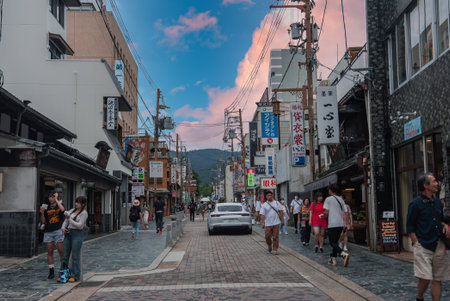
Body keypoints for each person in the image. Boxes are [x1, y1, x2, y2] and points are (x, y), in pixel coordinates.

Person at [407, 173, 450, 301]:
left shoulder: (437, 202)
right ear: (426, 186)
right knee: (425, 277)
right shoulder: (415, 203)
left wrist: (445, 225)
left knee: (438, 278)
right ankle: (419, 297)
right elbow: (410, 226)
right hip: (423, 244)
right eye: (434, 181)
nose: (437, 183)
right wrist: (416, 243)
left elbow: (440, 220)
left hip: (438, 243)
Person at [59, 196, 88, 283]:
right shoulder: (71, 210)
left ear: (82, 204)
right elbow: (65, 221)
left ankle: (74, 275)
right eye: (76, 202)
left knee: (75, 256)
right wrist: (63, 227)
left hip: (77, 234)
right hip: (68, 233)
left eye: (78, 203)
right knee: (65, 255)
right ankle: (63, 274)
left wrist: (70, 219)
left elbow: (79, 225)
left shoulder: (84, 213)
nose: (76, 204)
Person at [322, 184, 349, 267]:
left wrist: (322, 215)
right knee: (335, 242)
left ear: (330, 190)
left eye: (328, 190)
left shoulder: (328, 199)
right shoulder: (341, 200)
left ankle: (343, 254)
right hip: (340, 223)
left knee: (332, 242)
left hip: (332, 224)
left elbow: (326, 212)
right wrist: (346, 223)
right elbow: (346, 212)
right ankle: (333, 259)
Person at [40, 191, 65, 279]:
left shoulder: (60, 205)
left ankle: (63, 270)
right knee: (50, 251)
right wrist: (42, 213)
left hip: (58, 230)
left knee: (61, 251)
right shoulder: (46, 207)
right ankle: (51, 271)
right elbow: (43, 221)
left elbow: (63, 210)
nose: (51, 198)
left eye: (53, 197)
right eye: (50, 197)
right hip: (48, 231)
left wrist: (57, 199)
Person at [260, 191, 284, 255]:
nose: (269, 196)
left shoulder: (277, 203)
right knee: (267, 236)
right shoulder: (264, 205)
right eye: (268, 195)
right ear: (266, 196)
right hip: (268, 223)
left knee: (275, 236)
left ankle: (275, 249)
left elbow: (281, 211)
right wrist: (262, 222)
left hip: (276, 222)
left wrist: (282, 220)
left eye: (270, 195)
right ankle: (269, 245)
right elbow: (262, 214)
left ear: (272, 195)